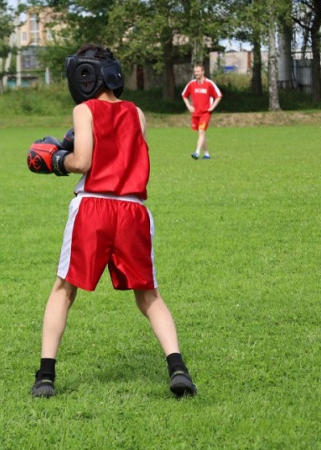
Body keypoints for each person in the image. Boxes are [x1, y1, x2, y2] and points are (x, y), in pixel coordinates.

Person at [27, 44, 196, 398]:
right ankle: (178, 367)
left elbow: (83, 162)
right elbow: (125, 150)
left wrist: (57, 160)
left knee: (63, 290)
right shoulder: (138, 113)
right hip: (133, 210)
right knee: (149, 295)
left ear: (84, 77)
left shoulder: (84, 110)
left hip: (94, 207)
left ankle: (45, 376)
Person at [181, 64, 222, 160]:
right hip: (196, 113)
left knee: (201, 131)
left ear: (203, 72)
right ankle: (206, 153)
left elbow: (219, 95)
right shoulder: (191, 84)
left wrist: (212, 107)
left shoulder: (209, 83)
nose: (196, 73)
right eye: (195, 72)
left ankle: (197, 152)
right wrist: (189, 106)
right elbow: (184, 95)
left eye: (198, 71)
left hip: (205, 113)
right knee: (201, 133)